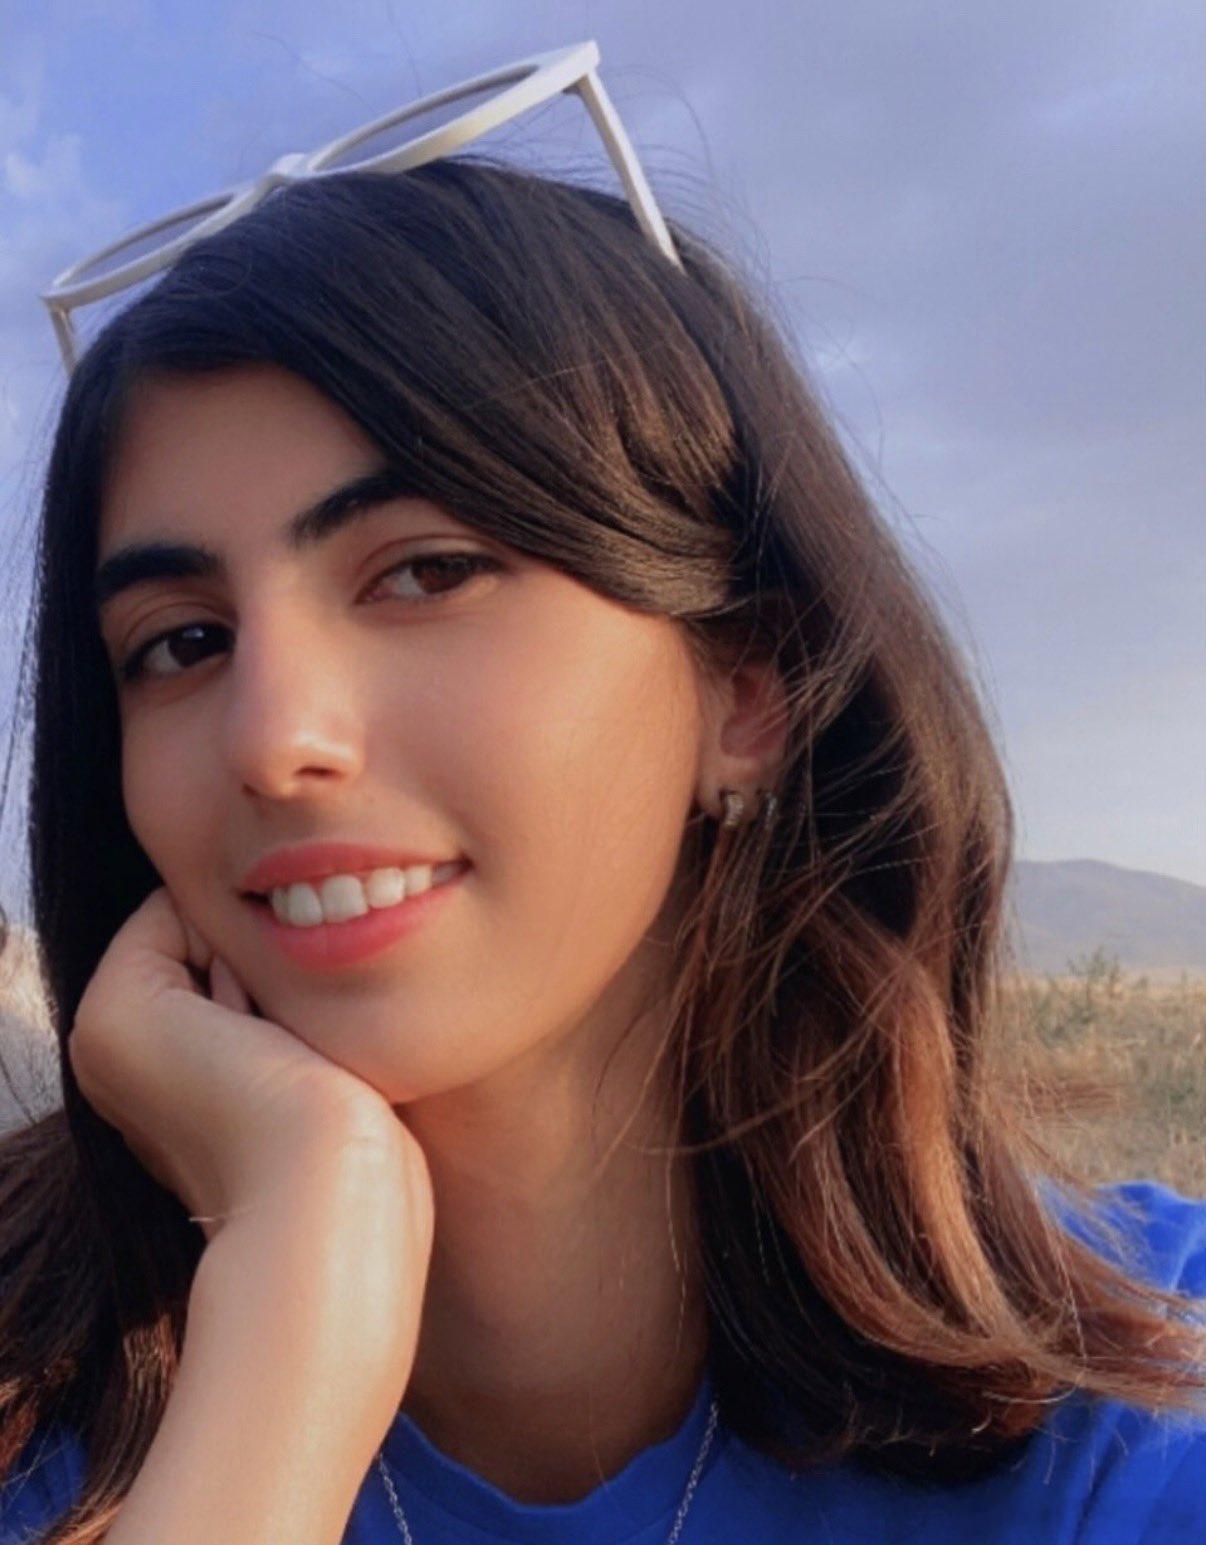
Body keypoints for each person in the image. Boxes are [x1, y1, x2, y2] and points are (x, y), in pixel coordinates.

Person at [0, 147, 1202, 1544]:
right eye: (182, 643)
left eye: (427, 572)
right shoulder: (38, 1420)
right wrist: (292, 1298)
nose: (272, 739)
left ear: (744, 689)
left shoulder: (1137, 1408)